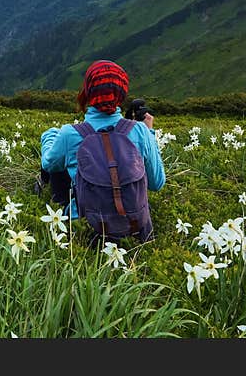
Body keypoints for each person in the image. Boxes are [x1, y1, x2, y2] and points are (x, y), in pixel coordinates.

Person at [38, 59, 166, 243]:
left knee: (60, 168)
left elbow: (48, 163)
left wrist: (50, 135)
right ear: (121, 93)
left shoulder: (69, 134)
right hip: (134, 228)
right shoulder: (140, 131)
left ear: (88, 91)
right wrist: (149, 133)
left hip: (85, 229)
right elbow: (157, 183)